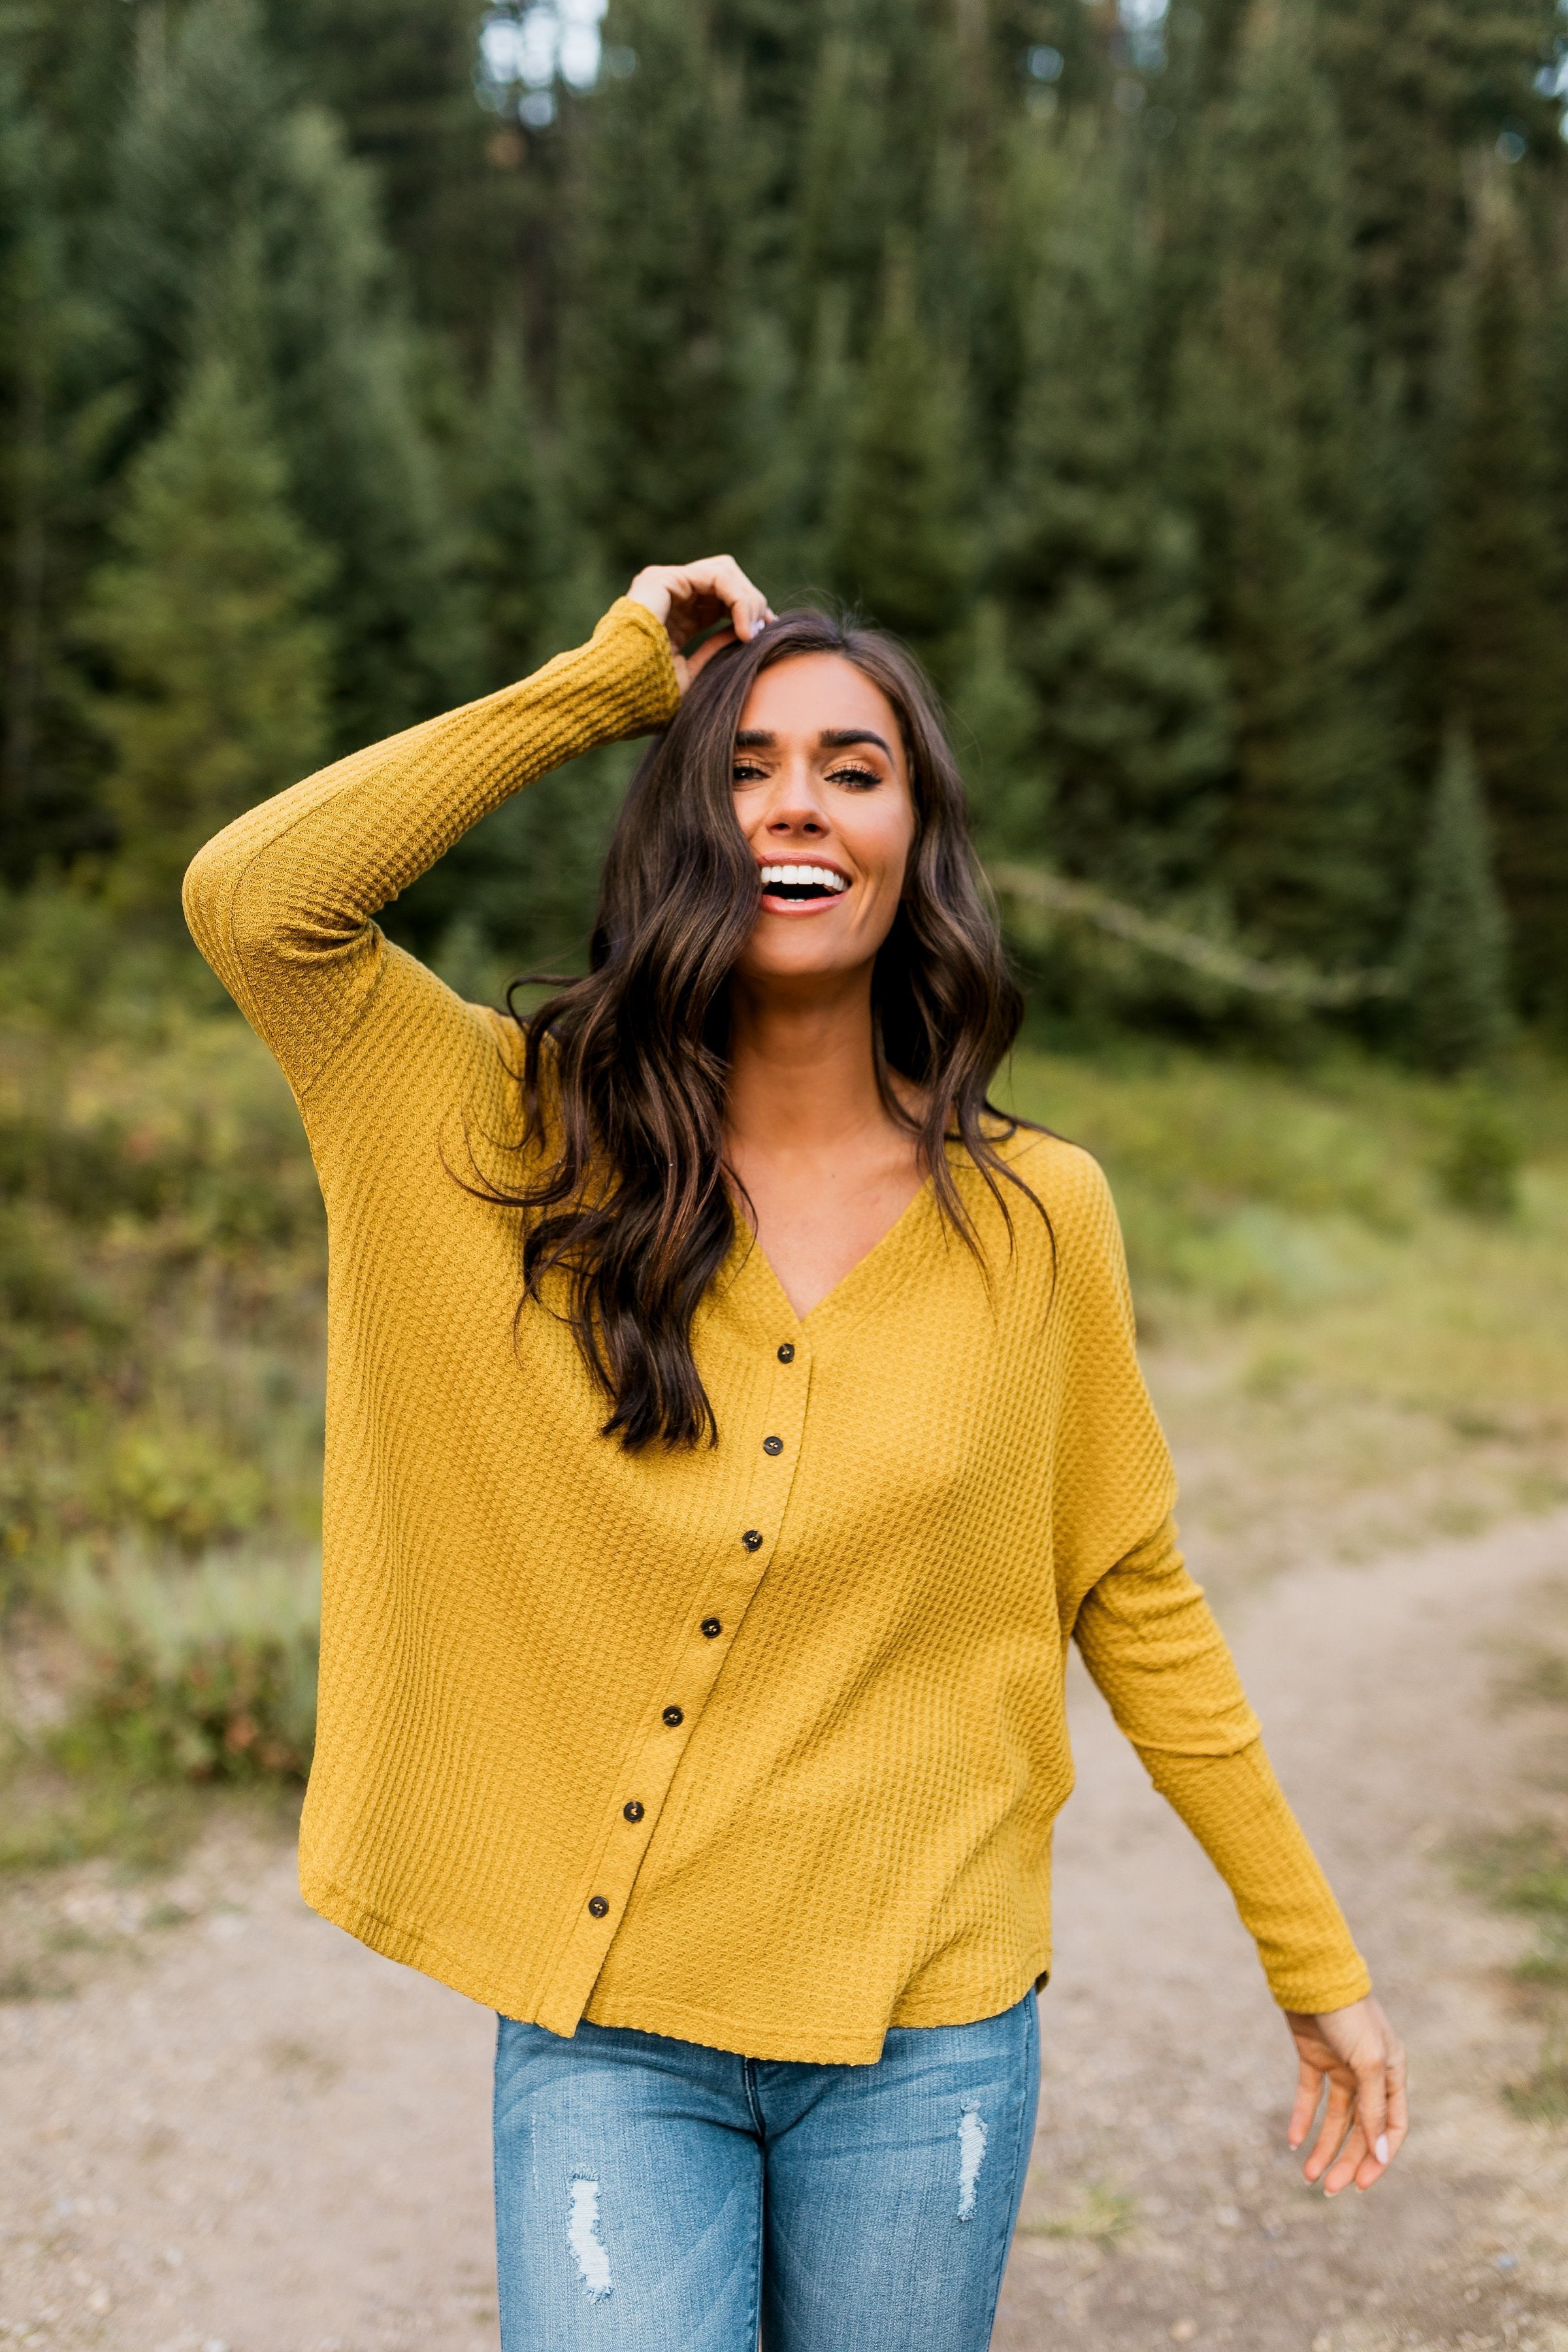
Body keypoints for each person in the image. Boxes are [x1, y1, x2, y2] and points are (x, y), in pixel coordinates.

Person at [184, 553, 1407, 2352]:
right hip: (616, 2032)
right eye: (744, 763)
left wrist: (1318, 1968)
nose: (796, 802)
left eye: (854, 766)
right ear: (687, 825)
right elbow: (258, 903)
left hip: (929, 2038)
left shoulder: (1039, 1218)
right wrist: (610, 684)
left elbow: (1132, 1597)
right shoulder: (514, 1136)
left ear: (917, 837)